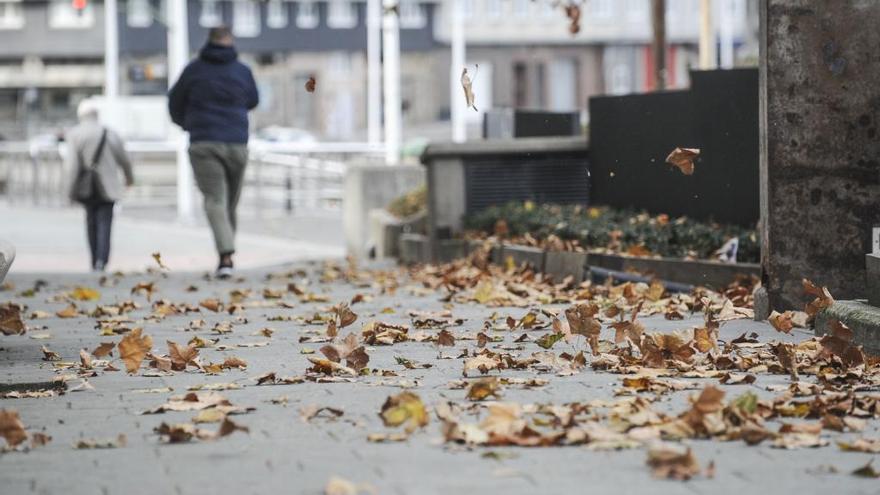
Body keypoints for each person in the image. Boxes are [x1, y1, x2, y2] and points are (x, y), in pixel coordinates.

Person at [167, 26, 259, 279]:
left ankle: (225, 256)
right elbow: (253, 100)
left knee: (217, 201)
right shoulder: (242, 71)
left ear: (209, 41)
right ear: (230, 41)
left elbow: (174, 101)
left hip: (204, 142)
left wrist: (187, 124)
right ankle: (226, 255)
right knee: (229, 203)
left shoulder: (193, 70)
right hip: (237, 143)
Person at [67, 100, 134, 272]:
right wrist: (129, 179)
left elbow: (72, 167)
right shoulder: (110, 133)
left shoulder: (75, 134)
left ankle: (94, 259)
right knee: (105, 223)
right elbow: (125, 160)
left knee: (91, 222)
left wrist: (70, 191)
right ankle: (102, 261)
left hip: (87, 187)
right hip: (108, 186)